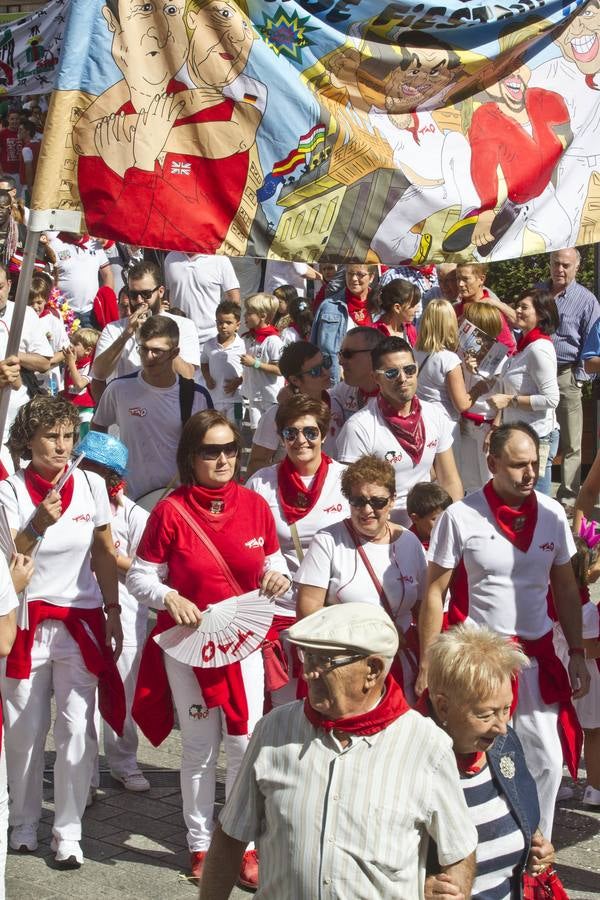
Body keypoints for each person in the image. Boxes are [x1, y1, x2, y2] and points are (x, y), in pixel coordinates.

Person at [198, 602, 478, 900]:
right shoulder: (273, 729)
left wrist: (453, 891)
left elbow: (458, 850)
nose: (309, 674)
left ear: (373, 670)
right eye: (308, 657)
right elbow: (230, 838)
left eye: (325, 661)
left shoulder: (427, 746)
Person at [127, 410, 291, 888]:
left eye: (229, 449)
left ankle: (243, 846)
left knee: (244, 744)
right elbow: (141, 575)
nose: (222, 459)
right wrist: (168, 596)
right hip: (189, 646)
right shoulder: (171, 510)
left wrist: (276, 576)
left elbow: (272, 561)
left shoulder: (255, 505)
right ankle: (200, 844)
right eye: (210, 451)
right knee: (200, 748)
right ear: (191, 457)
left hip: (245, 642)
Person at [419, 422, 591, 837]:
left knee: (547, 761)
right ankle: (474, 850)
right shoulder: (460, 516)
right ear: (491, 462)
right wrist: (429, 663)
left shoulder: (552, 514)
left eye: (534, 463)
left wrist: (579, 655)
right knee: (479, 762)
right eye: (517, 465)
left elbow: (567, 588)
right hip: (481, 661)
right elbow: (434, 593)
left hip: (537, 659)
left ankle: (538, 854)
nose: (529, 473)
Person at [0, 396, 124, 869]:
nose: (61, 445)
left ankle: (68, 832)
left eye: (69, 436)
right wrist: (38, 522)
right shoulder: (10, 490)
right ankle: (23, 823)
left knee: (77, 729)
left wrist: (112, 608)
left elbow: (103, 551)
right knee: (25, 730)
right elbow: (13, 558)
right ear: (27, 440)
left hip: (81, 619)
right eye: (51, 436)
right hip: (26, 620)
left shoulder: (92, 483)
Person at [425, 625, 556, 900]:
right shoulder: (411, 761)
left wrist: (536, 848)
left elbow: (523, 817)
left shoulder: (504, 746)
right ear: (443, 706)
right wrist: (416, 886)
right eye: (486, 714)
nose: (502, 727)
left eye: (507, 709)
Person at [296, 455, 426, 701]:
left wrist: (428, 663)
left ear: (392, 501)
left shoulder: (410, 542)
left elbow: (424, 608)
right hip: (348, 668)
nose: (367, 510)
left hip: (401, 666)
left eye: (377, 501)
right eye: (358, 501)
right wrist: (370, 633)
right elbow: (307, 610)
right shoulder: (328, 541)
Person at [246, 395, 348, 704]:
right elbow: (248, 545)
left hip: (330, 613)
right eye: (290, 433)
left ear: (324, 433)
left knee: (332, 706)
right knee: (285, 710)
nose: (301, 440)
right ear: (280, 438)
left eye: (310, 432)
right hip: (278, 612)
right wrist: (266, 570)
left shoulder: (345, 480)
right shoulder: (260, 484)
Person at [77, 431, 151, 793]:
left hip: (126, 618)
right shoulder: (64, 505)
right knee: (83, 701)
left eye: (98, 472)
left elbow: (149, 569)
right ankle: (85, 775)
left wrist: (109, 557)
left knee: (121, 694)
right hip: (80, 615)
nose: (89, 478)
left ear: (114, 478)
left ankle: (124, 762)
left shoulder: (135, 515)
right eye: (85, 467)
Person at [337, 336, 462, 526]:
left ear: (417, 369)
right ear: (375, 378)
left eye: (409, 370)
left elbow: (449, 480)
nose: (403, 378)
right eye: (391, 373)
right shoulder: (359, 427)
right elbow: (351, 497)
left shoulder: (435, 415)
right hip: (383, 530)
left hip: (431, 527)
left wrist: (453, 527)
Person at [91, 316, 212, 502]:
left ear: (174, 353)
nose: (148, 357)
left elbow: (209, 449)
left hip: (179, 501)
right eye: (144, 349)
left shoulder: (197, 396)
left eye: (157, 351)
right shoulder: (118, 388)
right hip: (129, 500)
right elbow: (98, 426)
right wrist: (105, 472)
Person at [488, 288, 560, 496]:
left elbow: (551, 399)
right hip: (522, 434)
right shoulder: (525, 346)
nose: (517, 310)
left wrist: (510, 401)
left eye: (524, 307)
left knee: (536, 502)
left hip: (538, 437)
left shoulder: (539, 349)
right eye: (517, 305)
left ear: (541, 314)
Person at [91, 260, 199, 396]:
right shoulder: (113, 329)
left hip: (167, 405)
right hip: (129, 407)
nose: (139, 300)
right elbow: (99, 374)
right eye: (133, 294)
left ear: (160, 291)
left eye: (146, 294)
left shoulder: (184, 325)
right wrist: (127, 333)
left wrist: (159, 337)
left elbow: (188, 375)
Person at [546, 248, 600, 509]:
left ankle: (568, 500)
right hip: (537, 375)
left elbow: (591, 342)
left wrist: (578, 379)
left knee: (571, 442)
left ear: (576, 268)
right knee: (537, 436)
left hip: (567, 374)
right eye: (556, 263)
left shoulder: (587, 300)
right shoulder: (538, 292)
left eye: (566, 265)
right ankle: (539, 497)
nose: (560, 269)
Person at [550, 524, 600, 808]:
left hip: (561, 671)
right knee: (593, 732)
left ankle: (555, 783)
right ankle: (594, 788)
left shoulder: (551, 601)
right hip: (587, 677)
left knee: (561, 727)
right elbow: (590, 649)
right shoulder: (588, 611)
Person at [245, 342, 335, 478]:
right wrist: (293, 473)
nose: (325, 372)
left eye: (326, 363)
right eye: (315, 371)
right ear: (295, 380)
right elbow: (255, 465)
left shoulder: (339, 400)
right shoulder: (276, 414)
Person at [415, 298, 488, 451]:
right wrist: (479, 388)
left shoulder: (414, 352)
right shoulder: (448, 359)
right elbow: (462, 404)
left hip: (421, 423)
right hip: (445, 427)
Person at [0, 262, 52, 462]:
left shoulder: (25, 314)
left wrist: (15, 355)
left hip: (19, 410)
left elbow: (45, 362)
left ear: (10, 285)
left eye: (0, 287)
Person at [457, 302, 504, 494]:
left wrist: (495, 429)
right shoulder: (460, 352)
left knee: (489, 480)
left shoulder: (500, 358)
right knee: (467, 480)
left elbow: (501, 395)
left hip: (486, 426)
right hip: (465, 422)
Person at [163, 252, 240, 354]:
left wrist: (229, 331)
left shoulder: (220, 259)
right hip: (180, 337)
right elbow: (168, 294)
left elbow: (233, 298)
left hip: (212, 338)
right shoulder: (170, 258)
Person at [311, 263, 377, 383]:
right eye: (350, 274)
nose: (353, 279)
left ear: (371, 277)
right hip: (337, 381)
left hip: (374, 381)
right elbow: (315, 349)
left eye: (360, 274)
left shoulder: (381, 306)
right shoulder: (329, 306)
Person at [45, 231, 114, 329]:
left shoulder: (95, 245)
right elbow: (48, 278)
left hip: (91, 312)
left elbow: (107, 274)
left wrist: (105, 301)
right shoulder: (55, 245)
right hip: (64, 313)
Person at [241, 293, 284, 429]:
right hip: (254, 396)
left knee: (272, 435)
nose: (245, 316)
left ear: (263, 316)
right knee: (256, 434)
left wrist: (255, 364)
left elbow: (280, 370)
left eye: (249, 313)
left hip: (271, 398)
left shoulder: (273, 340)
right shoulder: (247, 339)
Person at [329, 326, 383, 431]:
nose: (341, 361)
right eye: (340, 354)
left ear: (374, 355)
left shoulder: (395, 399)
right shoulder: (344, 390)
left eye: (347, 354)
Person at [454, 263, 516, 353]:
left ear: (481, 279)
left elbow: (508, 349)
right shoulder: (454, 310)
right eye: (458, 278)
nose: (460, 284)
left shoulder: (492, 308)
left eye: (465, 279)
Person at [200, 300, 244, 424]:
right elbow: (204, 363)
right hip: (215, 399)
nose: (223, 326)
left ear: (238, 325)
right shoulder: (209, 344)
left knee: (236, 430)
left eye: (228, 323)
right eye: (220, 322)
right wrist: (207, 378)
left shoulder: (243, 344)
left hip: (237, 399)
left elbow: (250, 368)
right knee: (215, 429)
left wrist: (240, 380)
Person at [61, 327, 100, 438]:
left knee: (84, 436)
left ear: (88, 350)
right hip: (71, 407)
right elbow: (70, 387)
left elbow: (79, 384)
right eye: (71, 342)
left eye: (76, 344)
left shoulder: (90, 365)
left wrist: (71, 363)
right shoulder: (73, 363)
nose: (71, 346)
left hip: (85, 408)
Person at [406, 481, 452, 550]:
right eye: (436, 519)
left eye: (446, 517)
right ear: (415, 518)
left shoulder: (452, 535)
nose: (444, 523)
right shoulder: (408, 545)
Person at [374, 277, 420, 344]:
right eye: (412, 306)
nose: (417, 310)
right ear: (397, 308)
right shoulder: (374, 333)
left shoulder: (410, 330)